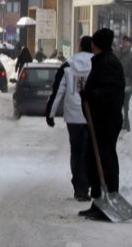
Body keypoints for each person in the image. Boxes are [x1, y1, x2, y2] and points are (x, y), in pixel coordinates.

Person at [78, 28, 125, 221]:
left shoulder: (107, 63)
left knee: (104, 162)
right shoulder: (104, 61)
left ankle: (107, 202)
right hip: (100, 120)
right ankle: (97, 201)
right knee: (94, 161)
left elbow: (111, 93)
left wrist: (91, 95)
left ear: (94, 45)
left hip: (106, 121)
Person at [46, 36, 93, 202]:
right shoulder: (98, 64)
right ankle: (88, 185)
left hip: (73, 116)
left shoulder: (68, 66)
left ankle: (79, 188)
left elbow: (57, 90)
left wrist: (50, 114)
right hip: (92, 117)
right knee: (90, 151)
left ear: (80, 46)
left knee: (77, 151)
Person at [116, 35, 132, 131]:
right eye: (123, 41)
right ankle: (118, 123)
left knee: (126, 105)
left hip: (127, 82)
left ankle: (127, 124)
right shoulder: (116, 53)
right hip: (116, 81)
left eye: (126, 41)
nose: (124, 43)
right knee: (117, 104)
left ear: (130, 44)